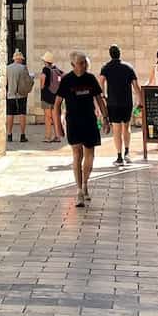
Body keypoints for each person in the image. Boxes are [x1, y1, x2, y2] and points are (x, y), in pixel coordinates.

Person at [56, 51, 110, 206]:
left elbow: (99, 99)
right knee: (77, 155)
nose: (84, 65)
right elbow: (57, 104)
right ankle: (79, 190)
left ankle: (85, 182)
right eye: (81, 63)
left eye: (85, 62)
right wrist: (58, 126)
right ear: (73, 65)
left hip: (90, 121)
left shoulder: (91, 78)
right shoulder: (66, 80)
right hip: (73, 121)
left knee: (90, 157)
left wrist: (105, 119)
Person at [100, 45, 142, 165]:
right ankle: (127, 153)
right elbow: (136, 86)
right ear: (120, 53)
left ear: (110, 54)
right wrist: (140, 101)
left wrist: (103, 96)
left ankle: (119, 157)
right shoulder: (128, 67)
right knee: (127, 127)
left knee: (116, 130)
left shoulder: (106, 68)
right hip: (126, 102)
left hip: (113, 103)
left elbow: (101, 82)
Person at [5, 50, 34, 142]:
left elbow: (5, 82)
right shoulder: (23, 68)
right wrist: (32, 78)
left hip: (10, 94)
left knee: (10, 114)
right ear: (20, 59)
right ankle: (22, 135)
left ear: (14, 59)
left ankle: (9, 135)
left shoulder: (7, 68)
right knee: (22, 114)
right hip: (21, 95)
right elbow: (27, 81)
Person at [40, 52, 65, 143]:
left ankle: (48, 137)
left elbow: (43, 79)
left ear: (45, 61)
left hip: (46, 96)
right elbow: (64, 75)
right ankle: (57, 136)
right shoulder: (56, 69)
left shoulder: (45, 69)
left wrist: (42, 86)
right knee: (55, 117)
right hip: (55, 97)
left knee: (47, 117)